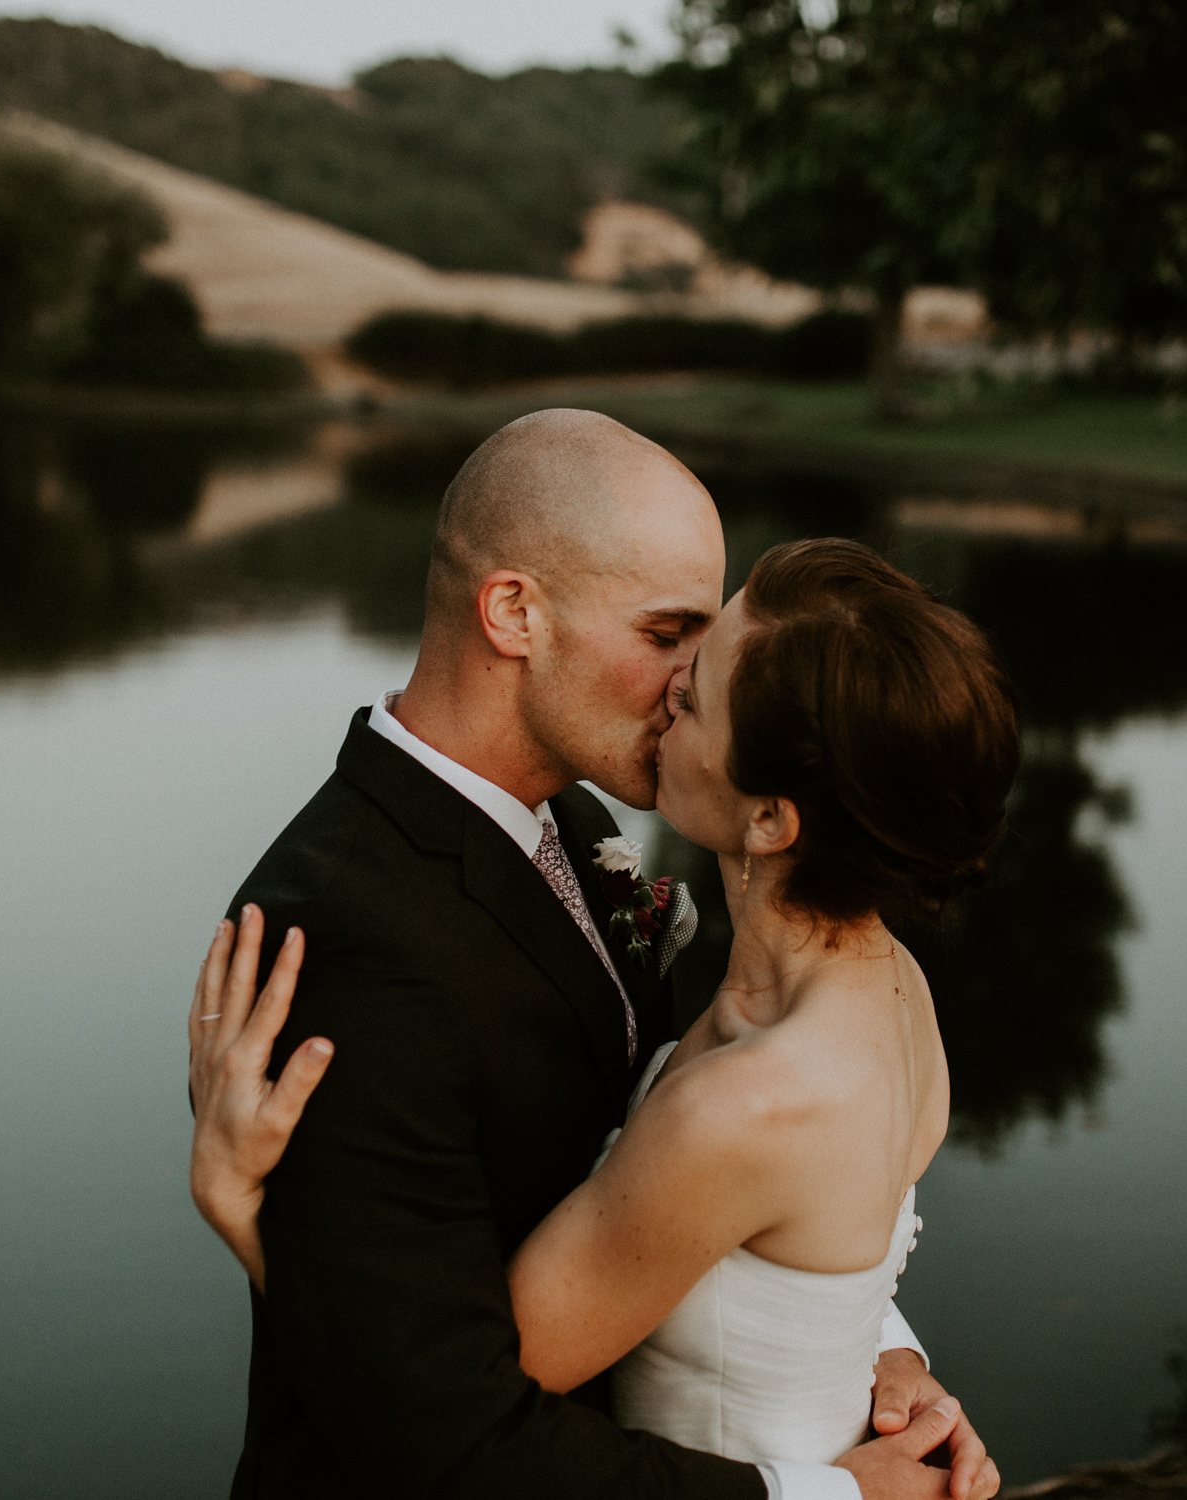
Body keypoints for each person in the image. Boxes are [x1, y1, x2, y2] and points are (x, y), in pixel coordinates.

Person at [188, 410, 1007, 1500]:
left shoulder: (575, 828)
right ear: (515, 612)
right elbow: (441, 1430)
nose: (685, 685)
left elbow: (712, 1210)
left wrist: (869, 1350)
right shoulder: (353, 939)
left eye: (704, 648)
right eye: (669, 634)